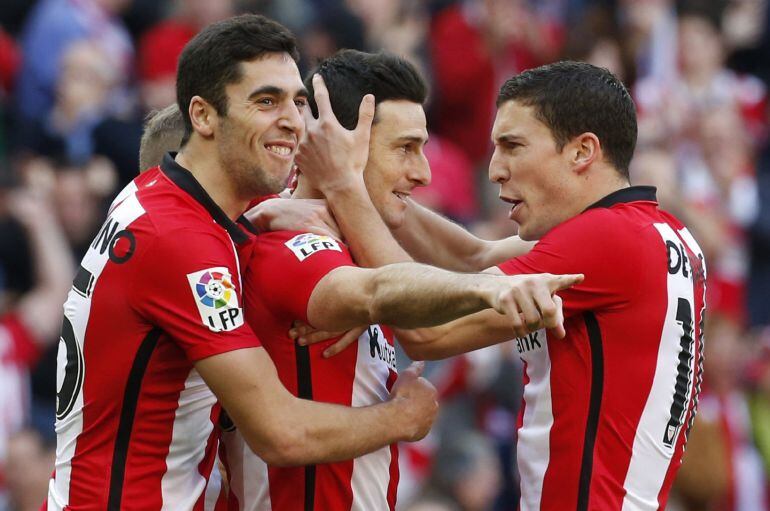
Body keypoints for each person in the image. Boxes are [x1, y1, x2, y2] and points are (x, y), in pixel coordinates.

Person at [45, 15, 574, 510]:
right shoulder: (222, 243)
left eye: (297, 102)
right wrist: (404, 416)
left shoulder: (184, 210)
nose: (294, 123)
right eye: (266, 101)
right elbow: (283, 428)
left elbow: (473, 253)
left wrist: (270, 212)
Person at [294, 61, 707, 510]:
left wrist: (343, 186)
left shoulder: (605, 239)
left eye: (513, 146)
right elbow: (472, 257)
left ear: (582, 151)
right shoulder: (660, 233)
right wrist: (376, 188)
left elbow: (427, 331)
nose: (495, 170)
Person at [219, 49, 581, 510]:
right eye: (405, 148)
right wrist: (491, 289)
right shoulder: (289, 247)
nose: (423, 173)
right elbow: (404, 311)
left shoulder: (361, 244)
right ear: (340, 145)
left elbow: (470, 256)